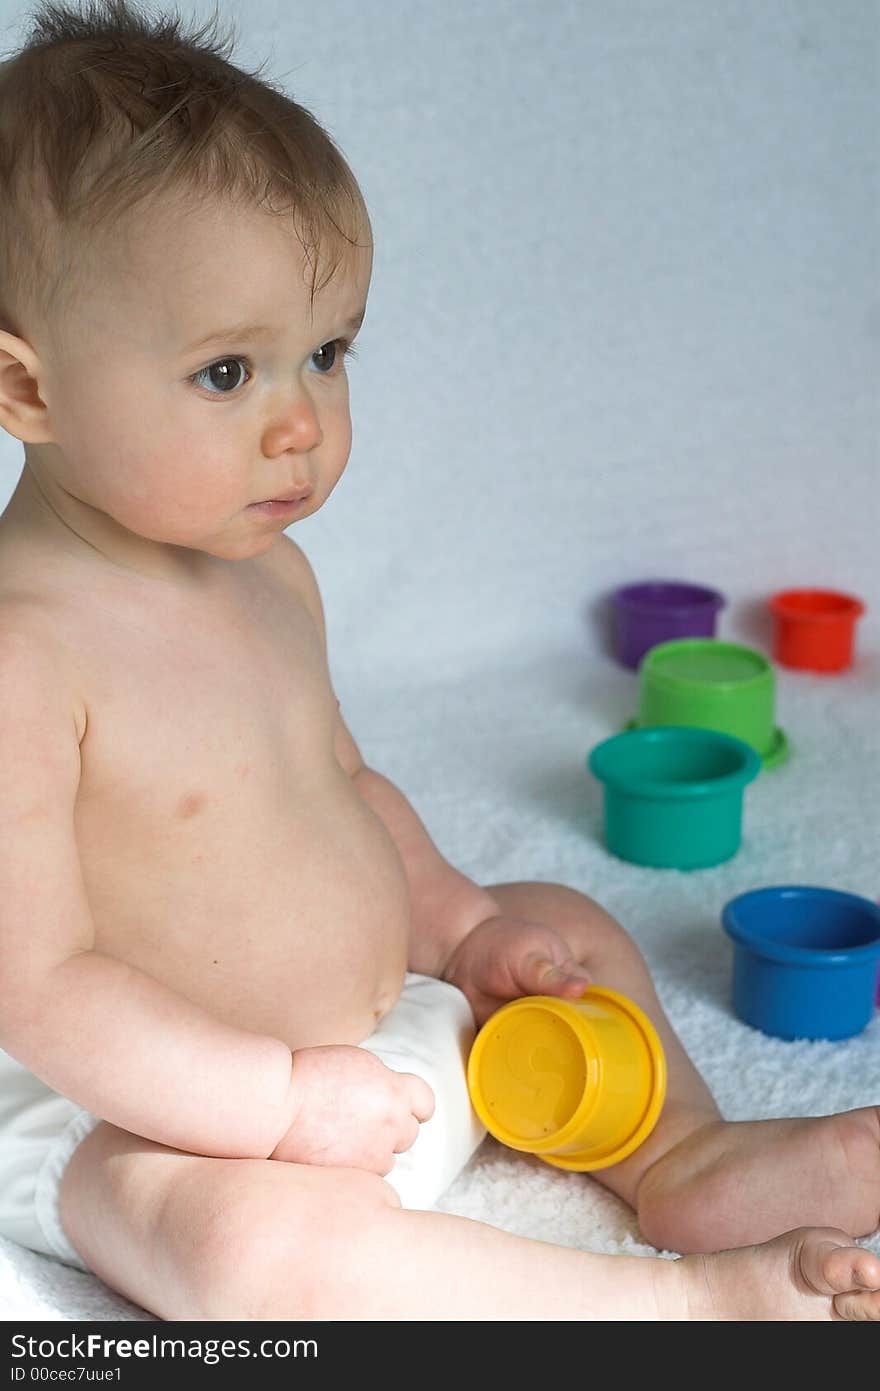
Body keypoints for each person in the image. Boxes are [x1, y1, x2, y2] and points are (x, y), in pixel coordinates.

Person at [0, 0, 877, 1323]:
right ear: (27, 393)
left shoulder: (268, 575)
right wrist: (273, 1103)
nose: (302, 421)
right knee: (238, 1249)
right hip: (145, 1107)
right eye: (228, 371)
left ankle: (680, 1157)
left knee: (567, 924)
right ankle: (678, 1309)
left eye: (328, 351)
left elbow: (342, 790)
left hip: (372, 1047)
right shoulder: (24, 655)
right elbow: (43, 987)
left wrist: (466, 933)